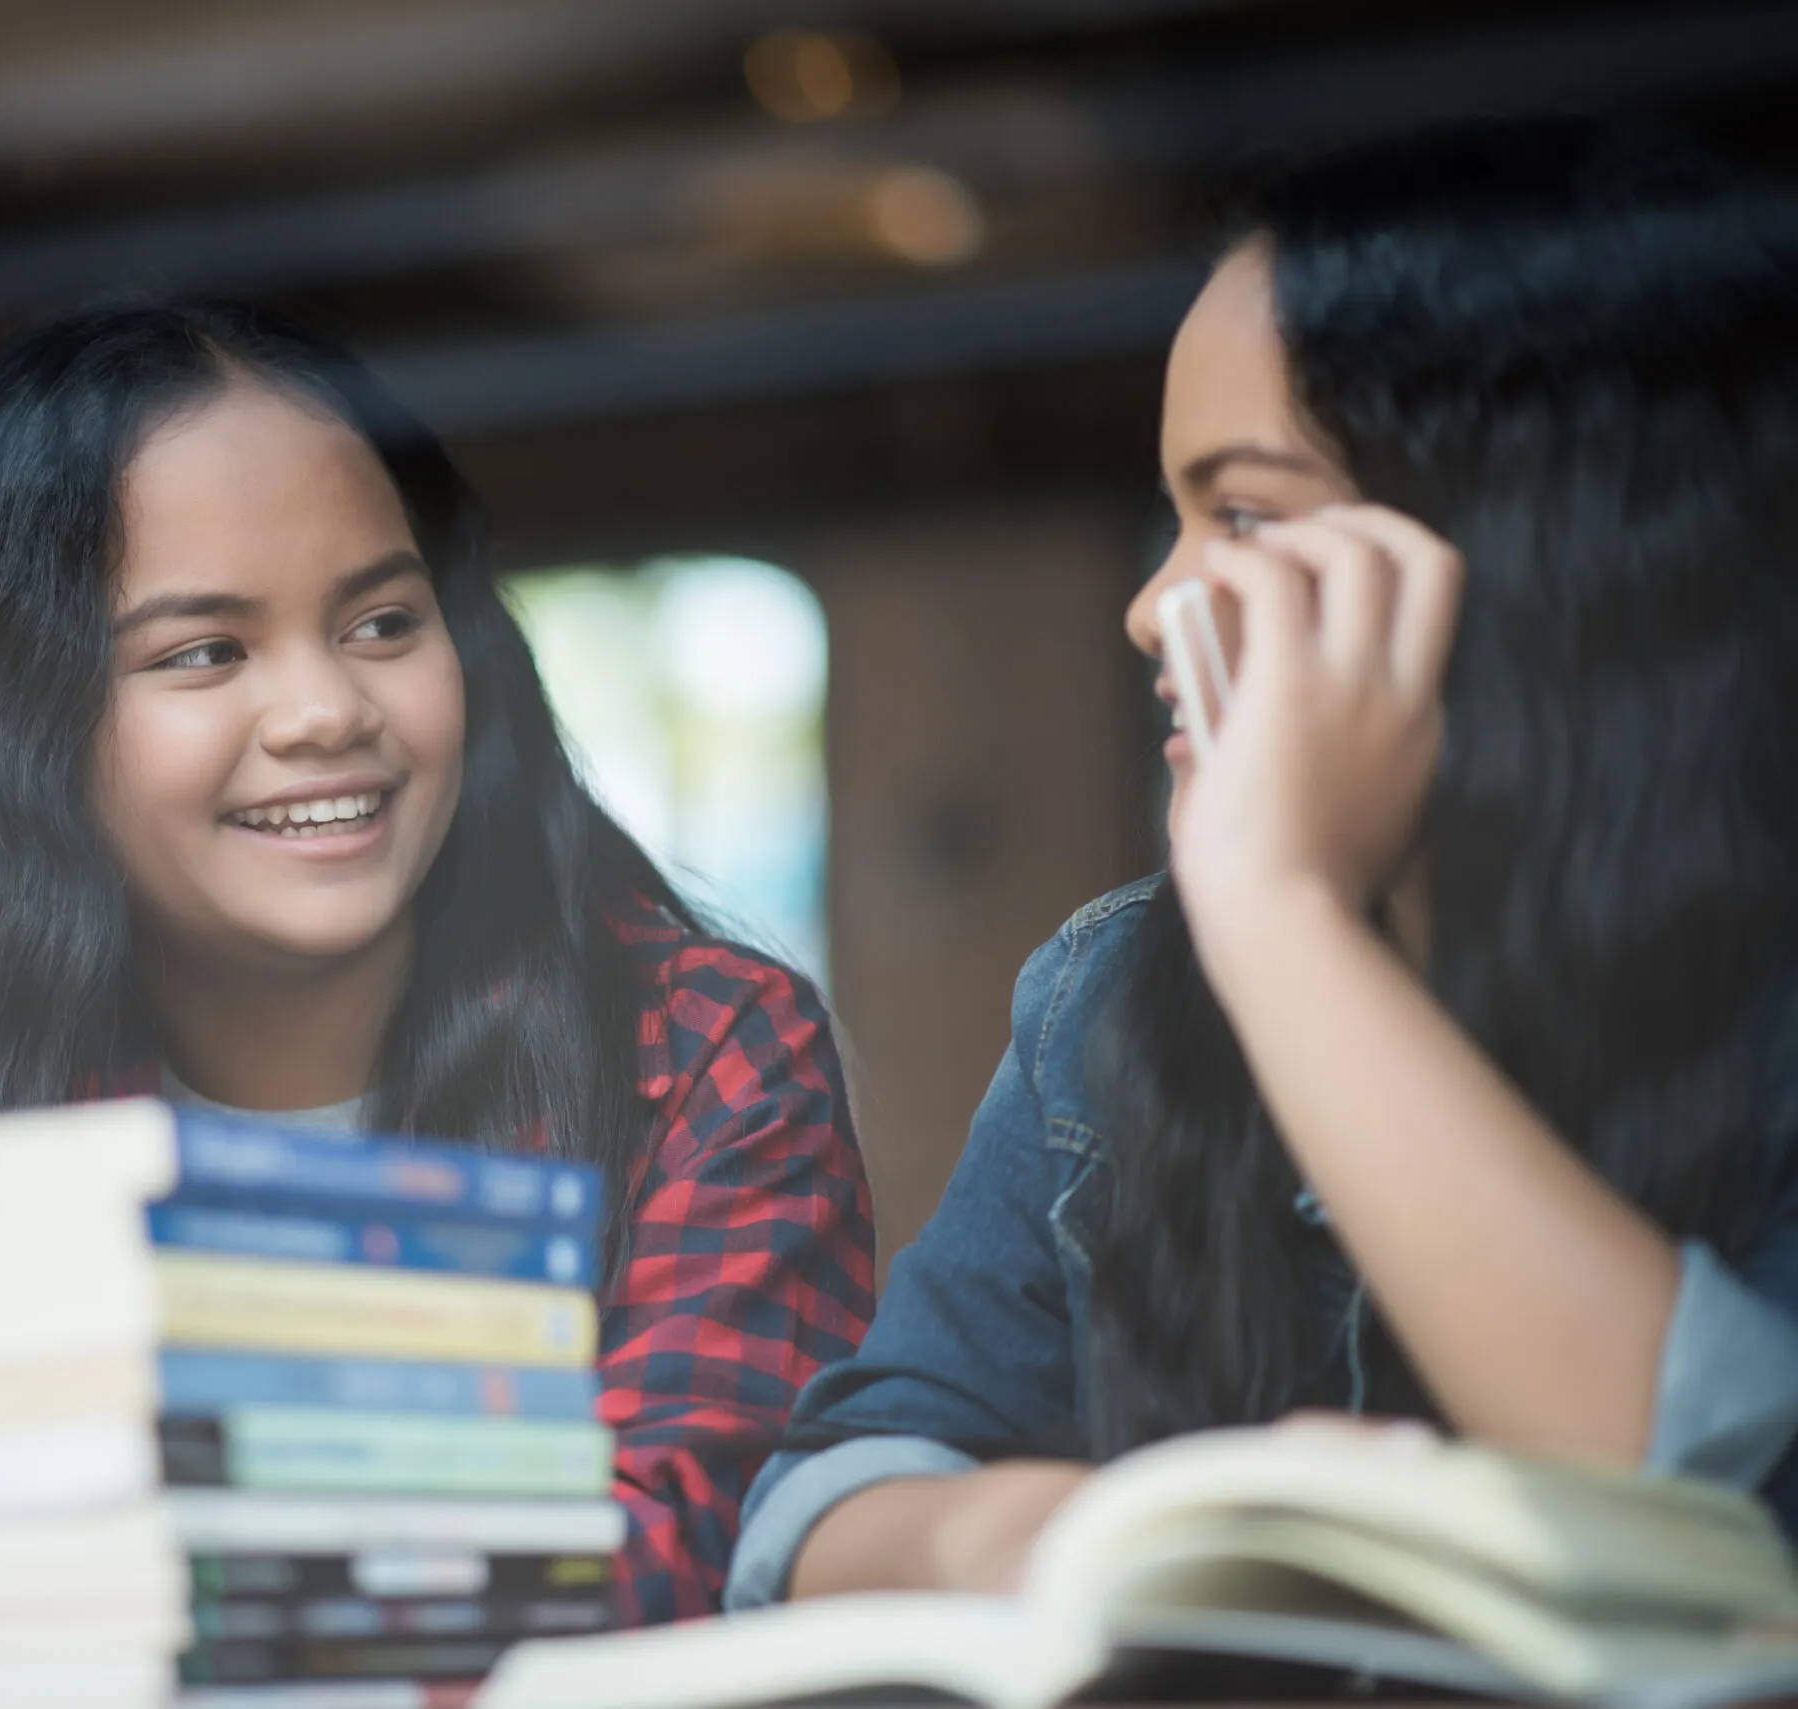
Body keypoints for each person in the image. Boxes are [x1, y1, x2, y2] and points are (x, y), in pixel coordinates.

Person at [0, 299, 876, 1657]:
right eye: (203, 652)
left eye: (383, 622)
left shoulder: (702, 1052)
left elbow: (671, 1554)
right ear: (6, 732)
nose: (326, 709)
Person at [727, 117, 1798, 1611]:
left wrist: (1281, 910)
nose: (1156, 607)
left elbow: (1716, 1524)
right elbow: (821, 1503)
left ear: (1533, 548)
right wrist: (1043, 1535)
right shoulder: (1106, 1003)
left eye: (1239, 514)